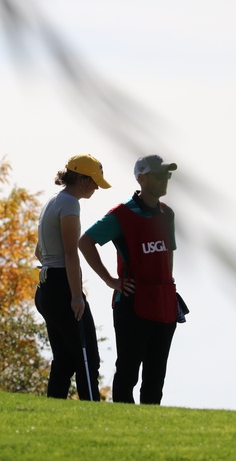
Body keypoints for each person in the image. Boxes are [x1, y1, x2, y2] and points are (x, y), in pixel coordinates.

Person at [79, 154, 178, 405]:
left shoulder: (167, 213)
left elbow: (168, 255)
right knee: (128, 371)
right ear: (142, 179)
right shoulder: (121, 214)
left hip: (163, 304)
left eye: (167, 175)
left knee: (156, 377)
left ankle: (148, 426)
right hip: (132, 304)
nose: (165, 179)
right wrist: (110, 280)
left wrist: (169, 288)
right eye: (159, 175)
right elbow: (85, 242)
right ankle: (122, 423)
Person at [34, 154, 112, 401]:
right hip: (62, 288)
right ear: (82, 179)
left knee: (64, 360)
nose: (96, 188)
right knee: (87, 358)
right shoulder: (69, 204)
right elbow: (70, 252)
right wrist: (76, 295)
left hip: (46, 287)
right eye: (94, 182)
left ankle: (53, 408)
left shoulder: (53, 201)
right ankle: (92, 412)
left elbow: (38, 251)